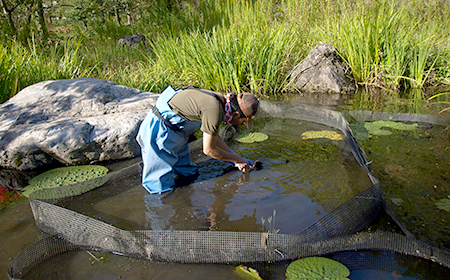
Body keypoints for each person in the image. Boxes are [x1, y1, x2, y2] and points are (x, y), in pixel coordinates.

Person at [136, 86, 260, 195]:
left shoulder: (220, 101)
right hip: (159, 130)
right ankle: (161, 211)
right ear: (236, 114)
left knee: (188, 172)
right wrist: (237, 160)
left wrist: (236, 158)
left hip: (176, 131)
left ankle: (184, 198)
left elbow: (215, 138)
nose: (241, 124)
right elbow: (209, 149)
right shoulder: (215, 110)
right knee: (161, 186)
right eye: (243, 122)